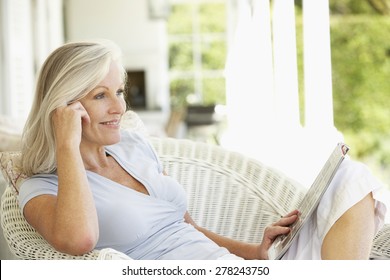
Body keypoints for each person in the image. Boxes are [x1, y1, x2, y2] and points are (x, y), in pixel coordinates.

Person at [18, 39, 387, 260]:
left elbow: (185, 226)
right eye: (100, 96)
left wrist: (253, 251)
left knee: (353, 179)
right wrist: (67, 146)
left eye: (118, 91)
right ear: (63, 108)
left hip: (238, 266)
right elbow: (79, 241)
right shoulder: (40, 188)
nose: (119, 108)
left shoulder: (132, 146)